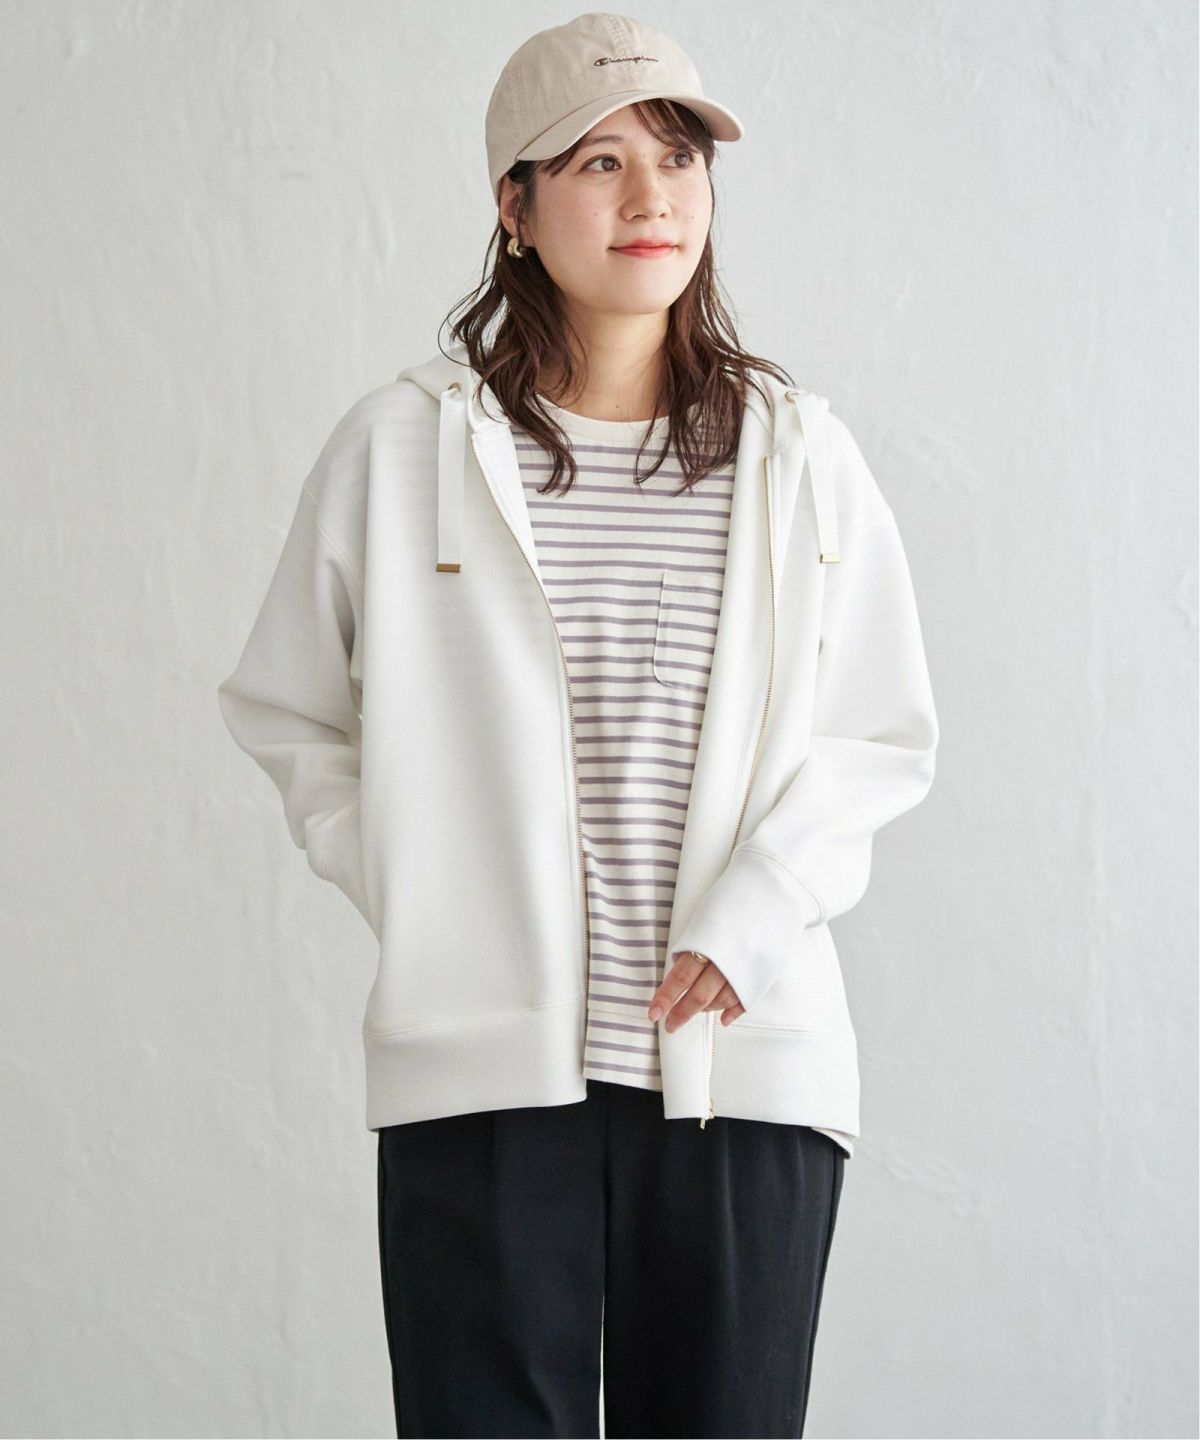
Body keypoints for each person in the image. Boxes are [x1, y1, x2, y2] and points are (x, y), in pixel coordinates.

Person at [216, 12, 940, 1438]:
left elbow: (877, 736)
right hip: (480, 1075)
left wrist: (759, 909)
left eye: (679, 157)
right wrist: (418, 882)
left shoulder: (798, 455)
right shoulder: (400, 448)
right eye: (599, 162)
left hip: (741, 1068)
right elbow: (287, 706)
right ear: (515, 204)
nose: (651, 196)